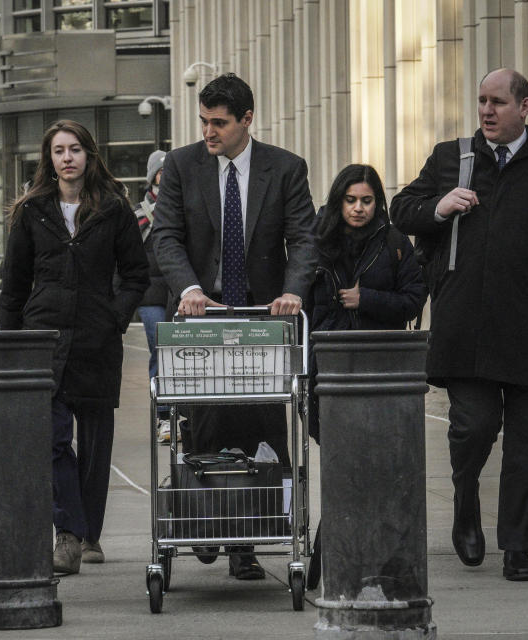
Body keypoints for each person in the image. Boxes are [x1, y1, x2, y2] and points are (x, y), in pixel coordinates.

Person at [390, 68, 528, 582]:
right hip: (465, 326)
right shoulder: (452, 158)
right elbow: (400, 210)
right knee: (473, 429)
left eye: (498, 102)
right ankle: (466, 505)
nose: (486, 111)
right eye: (482, 101)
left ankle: (516, 547)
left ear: (525, 107)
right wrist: (438, 208)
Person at [152, 73, 316, 580]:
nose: (208, 131)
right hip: (206, 318)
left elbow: (304, 239)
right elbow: (166, 237)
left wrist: (292, 291)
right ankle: (208, 521)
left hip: (263, 321)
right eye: (203, 120)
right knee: (209, 427)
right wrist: (189, 289)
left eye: (219, 122)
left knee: (266, 428)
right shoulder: (182, 166)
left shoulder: (285, 169)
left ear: (247, 120)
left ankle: (248, 539)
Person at [0, 120, 149, 576]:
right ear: (49, 158)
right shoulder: (32, 211)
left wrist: (113, 317)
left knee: (96, 443)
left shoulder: (114, 209)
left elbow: (136, 275)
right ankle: (67, 534)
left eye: (75, 149)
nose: (67, 158)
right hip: (45, 338)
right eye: (59, 151)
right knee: (53, 440)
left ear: (89, 155)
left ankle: (90, 535)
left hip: (96, 342)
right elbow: (14, 284)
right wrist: (11, 346)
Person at [306, 164, 426, 441]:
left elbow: (414, 299)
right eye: (351, 200)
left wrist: (367, 299)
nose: (358, 208)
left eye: (367, 200)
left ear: (377, 203)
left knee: (379, 440)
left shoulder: (393, 241)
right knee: (336, 441)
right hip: (328, 359)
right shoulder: (316, 240)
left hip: (380, 360)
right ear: (339, 200)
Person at [132, 149, 177, 444]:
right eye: (160, 173)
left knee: (177, 354)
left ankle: (179, 414)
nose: (164, 177)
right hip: (150, 296)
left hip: (176, 292)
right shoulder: (138, 214)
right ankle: (163, 416)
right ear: (152, 177)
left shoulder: (179, 208)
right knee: (160, 351)